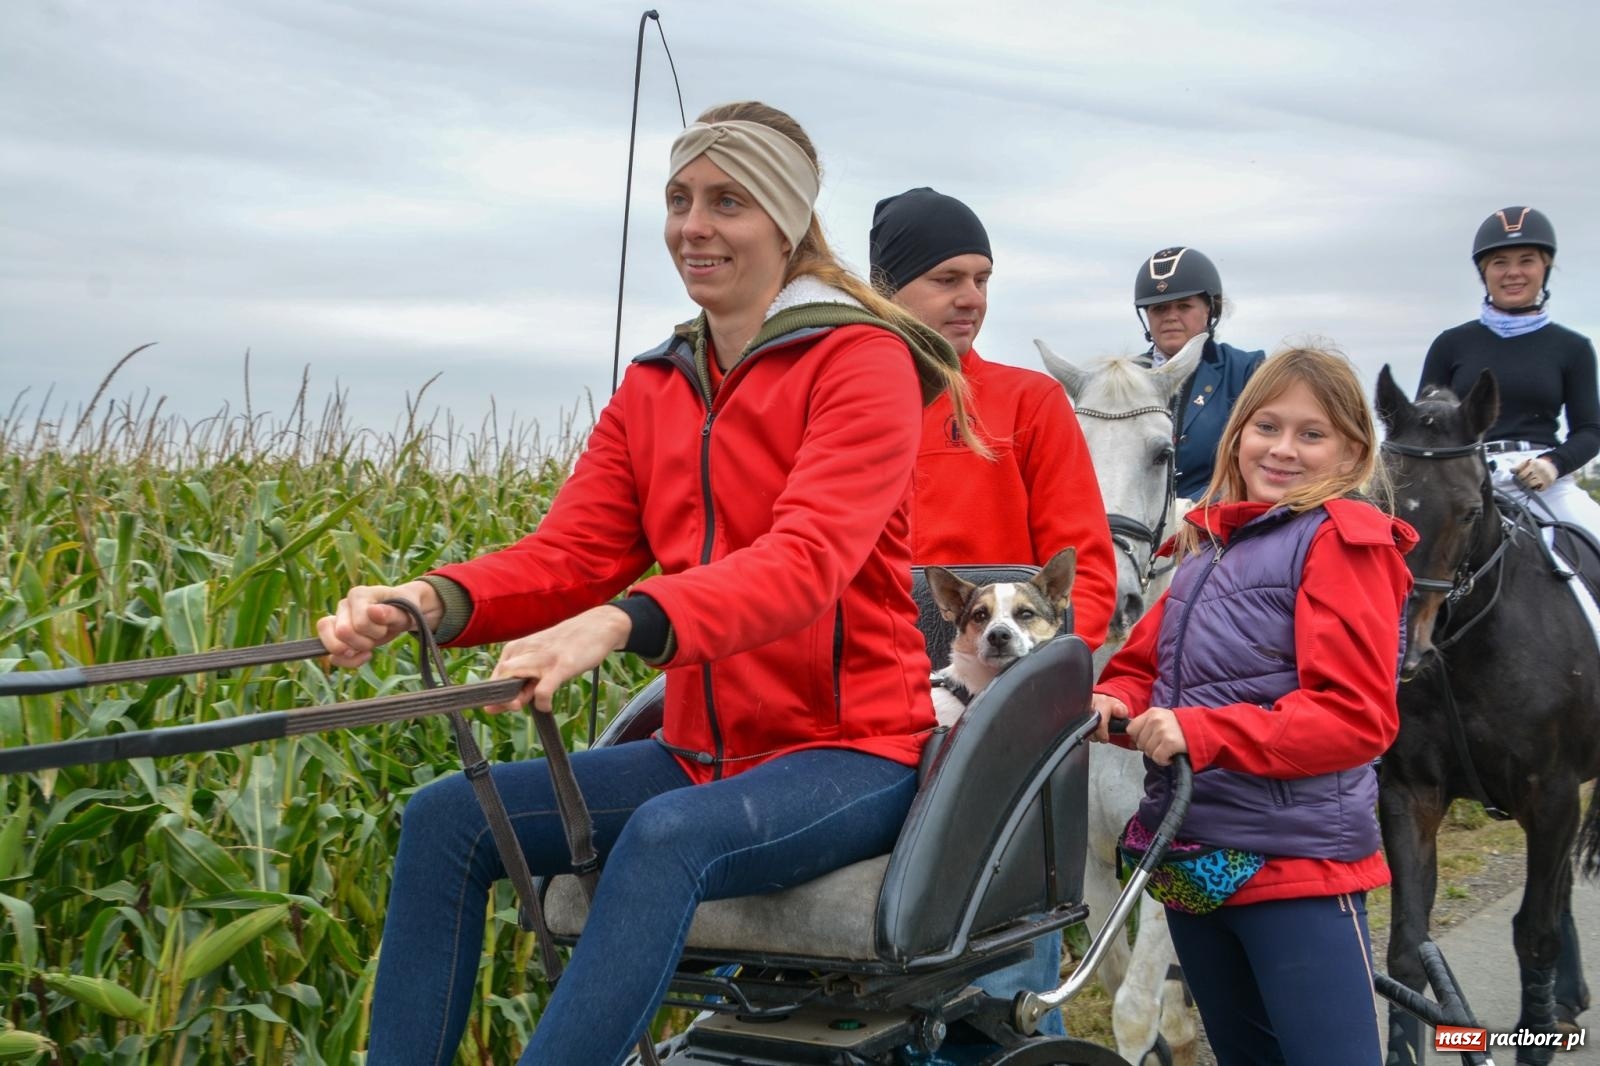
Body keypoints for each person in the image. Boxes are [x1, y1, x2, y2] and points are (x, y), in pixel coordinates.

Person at [317, 100, 976, 1066]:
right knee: (446, 818)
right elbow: (572, 556)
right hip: (700, 746)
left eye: (727, 201)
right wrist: (429, 599)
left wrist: (625, 623)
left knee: (669, 838)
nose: (692, 226)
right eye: (678, 200)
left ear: (787, 222)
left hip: (850, 754)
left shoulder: (862, 363)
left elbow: (806, 563)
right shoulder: (659, 383)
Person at [1091, 347, 1416, 1066]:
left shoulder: (1344, 542)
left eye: (1312, 433)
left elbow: (1357, 718)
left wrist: (1198, 732)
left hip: (1294, 870)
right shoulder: (1208, 548)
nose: (1283, 449)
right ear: (1238, 433)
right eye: (1267, 426)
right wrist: (1110, 699)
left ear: (1352, 451)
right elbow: (1144, 665)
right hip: (1197, 864)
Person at [867, 186, 1118, 1034]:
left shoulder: (1026, 405)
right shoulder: (840, 408)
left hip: (997, 731)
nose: (971, 297)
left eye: (981, 277)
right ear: (884, 286)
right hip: (871, 718)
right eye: (946, 277)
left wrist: (1015, 695)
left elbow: (1083, 580)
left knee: (1003, 973)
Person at [1419, 204, 1597, 1029]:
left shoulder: (1570, 347)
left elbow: (1592, 423)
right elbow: (1427, 416)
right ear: (1483, 271)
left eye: (1526, 260)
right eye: (1500, 262)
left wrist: (1553, 461)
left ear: (1545, 268)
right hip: (1461, 480)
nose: (1513, 271)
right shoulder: (1454, 344)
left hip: (1541, 482)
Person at [1133, 246, 1266, 500]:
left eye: (1183, 306)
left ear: (1210, 310)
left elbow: (1255, 461)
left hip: (1216, 525)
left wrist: (1194, 507)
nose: (1170, 317)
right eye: (1159, 309)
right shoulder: (1125, 377)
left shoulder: (1246, 370)